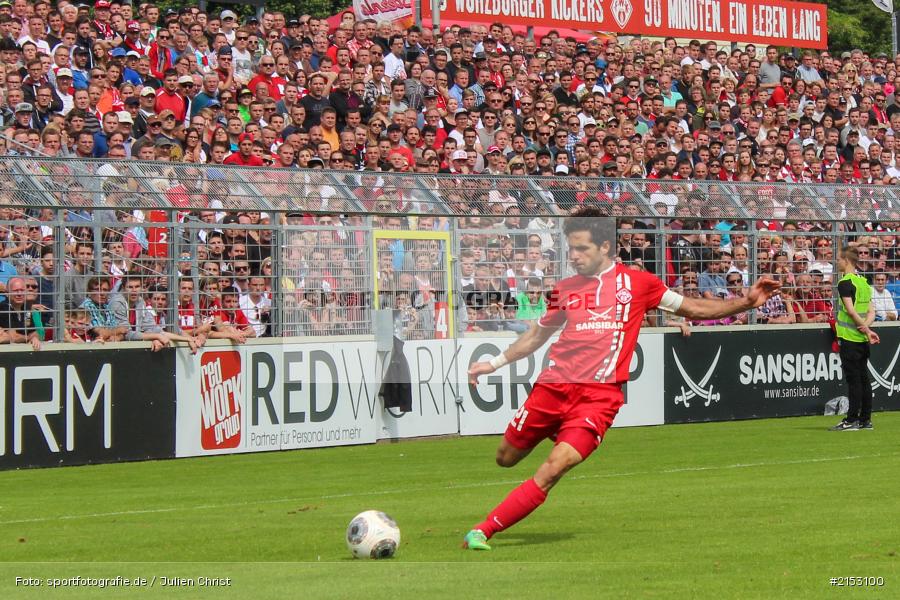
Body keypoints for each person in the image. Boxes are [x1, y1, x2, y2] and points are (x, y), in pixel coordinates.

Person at [462, 206, 780, 551]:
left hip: (599, 397)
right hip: (553, 388)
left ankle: (483, 530)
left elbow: (694, 308)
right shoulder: (566, 288)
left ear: (605, 248)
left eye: (582, 248)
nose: (574, 256)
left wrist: (745, 303)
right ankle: (557, 428)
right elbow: (537, 335)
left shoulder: (640, 284)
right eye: (571, 248)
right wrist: (492, 363)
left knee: (556, 467)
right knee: (505, 458)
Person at [830, 246, 880, 431]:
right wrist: (866, 328)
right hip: (861, 339)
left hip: (850, 338)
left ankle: (851, 420)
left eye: (839, 259)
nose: (837, 262)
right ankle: (865, 419)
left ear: (847, 261)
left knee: (854, 381)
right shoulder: (863, 282)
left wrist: (865, 331)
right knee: (864, 379)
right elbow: (872, 311)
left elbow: (850, 311)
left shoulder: (845, 283)